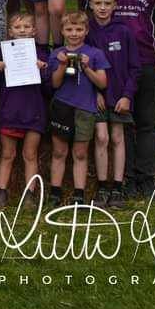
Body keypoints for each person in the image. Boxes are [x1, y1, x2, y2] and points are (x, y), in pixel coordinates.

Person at [88, 0, 155, 199]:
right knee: (121, 123)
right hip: (108, 65)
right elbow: (87, 20)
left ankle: (146, 178)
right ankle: (126, 178)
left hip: (146, 58)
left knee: (145, 121)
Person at [47, 12, 110, 207]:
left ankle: (79, 193)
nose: (74, 34)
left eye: (79, 29)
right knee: (59, 151)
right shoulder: (56, 54)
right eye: (69, 29)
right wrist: (62, 65)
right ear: (62, 31)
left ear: (86, 31)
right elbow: (55, 84)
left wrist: (87, 67)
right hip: (62, 106)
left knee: (80, 152)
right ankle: (55, 191)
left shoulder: (95, 53)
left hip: (85, 108)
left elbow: (103, 83)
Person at [86, 0, 138, 209]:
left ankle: (118, 187)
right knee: (101, 138)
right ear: (90, 5)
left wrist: (127, 96)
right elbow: (83, 66)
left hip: (119, 97)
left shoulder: (124, 31)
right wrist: (94, 92)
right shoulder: (87, 32)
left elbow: (135, 68)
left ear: (115, 5)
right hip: (96, 97)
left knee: (117, 138)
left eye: (107, 3)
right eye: (98, 3)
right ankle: (102, 186)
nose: (103, 8)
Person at [0, 13, 50, 208]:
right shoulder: (3, 53)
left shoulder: (41, 54)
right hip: (10, 110)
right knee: (8, 154)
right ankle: (2, 192)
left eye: (26, 26)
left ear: (34, 30)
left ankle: (29, 195)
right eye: (18, 27)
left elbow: (50, 88)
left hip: (33, 110)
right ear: (10, 31)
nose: (22, 30)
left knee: (30, 154)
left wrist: (43, 70)